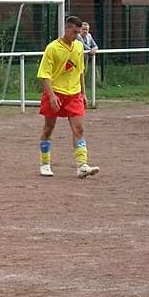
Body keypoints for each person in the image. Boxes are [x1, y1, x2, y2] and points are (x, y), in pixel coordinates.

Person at [37, 15, 100, 179]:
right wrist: (51, 96)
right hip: (55, 93)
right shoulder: (52, 48)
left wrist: (83, 93)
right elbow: (45, 75)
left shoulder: (79, 47)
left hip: (74, 94)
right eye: (74, 32)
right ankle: (45, 163)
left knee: (79, 128)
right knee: (48, 128)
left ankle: (82, 166)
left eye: (79, 33)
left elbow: (80, 71)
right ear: (67, 29)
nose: (77, 35)